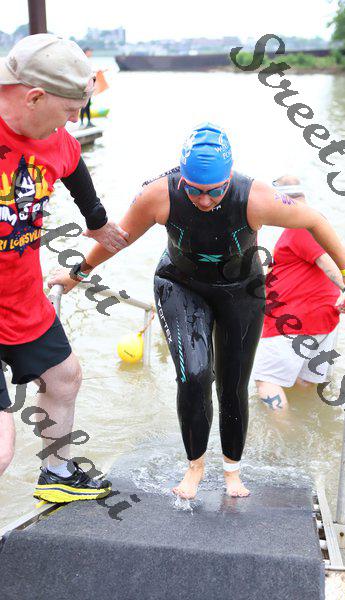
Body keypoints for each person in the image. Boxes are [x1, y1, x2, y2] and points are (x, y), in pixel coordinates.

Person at [49, 122, 345, 500]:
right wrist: (77, 274)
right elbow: (118, 238)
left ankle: (232, 470)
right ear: (182, 178)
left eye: (214, 191)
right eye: (195, 190)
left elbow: (315, 220)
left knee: (233, 383)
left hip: (241, 291)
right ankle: (195, 467)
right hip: (180, 285)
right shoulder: (159, 195)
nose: (204, 200)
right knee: (195, 374)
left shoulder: (256, 197)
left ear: (228, 178)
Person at [0, 34, 129, 502]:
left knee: (64, 376)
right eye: (70, 110)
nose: (75, 120)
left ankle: (56, 474)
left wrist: (97, 222)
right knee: (1, 448)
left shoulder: (52, 139)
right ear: (34, 97)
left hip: (21, 297)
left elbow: (73, 165)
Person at [253, 175, 345, 410]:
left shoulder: (299, 226)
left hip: (292, 319)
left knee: (267, 382)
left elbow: (326, 264)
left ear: (277, 200)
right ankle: (305, 423)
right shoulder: (316, 224)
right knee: (304, 383)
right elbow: (335, 253)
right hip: (323, 319)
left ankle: (283, 431)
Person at [80, 48, 94, 128]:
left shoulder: (87, 61)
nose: (91, 53)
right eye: (90, 52)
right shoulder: (83, 61)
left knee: (88, 105)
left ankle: (89, 122)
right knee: (84, 105)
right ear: (86, 52)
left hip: (89, 87)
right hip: (84, 88)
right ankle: (82, 123)